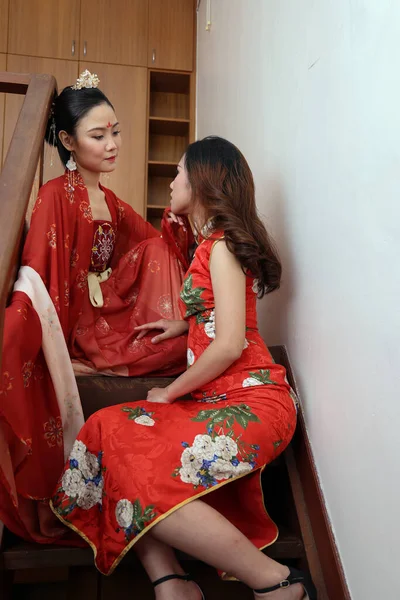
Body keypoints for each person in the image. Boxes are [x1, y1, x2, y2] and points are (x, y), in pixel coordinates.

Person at [51, 136, 317, 599]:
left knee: (135, 460)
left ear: (202, 180)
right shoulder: (210, 245)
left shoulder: (223, 246)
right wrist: (184, 324)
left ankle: (275, 581)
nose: (172, 182)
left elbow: (232, 342)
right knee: (106, 429)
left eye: (178, 173)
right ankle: (170, 580)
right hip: (218, 395)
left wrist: (170, 392)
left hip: (252, 398)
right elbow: (220, 315)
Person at [0, 70, 193, 544]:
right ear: (67, 140)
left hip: (107, 310)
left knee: (160, 257)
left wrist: (180, 218)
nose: (112, 144)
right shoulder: (54, 197)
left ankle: (147, 337)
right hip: (77, 317)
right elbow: (39, 271)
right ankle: (85, 355)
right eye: (98, 135)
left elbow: (150, 245)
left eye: (116, 132)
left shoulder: (109, 200)